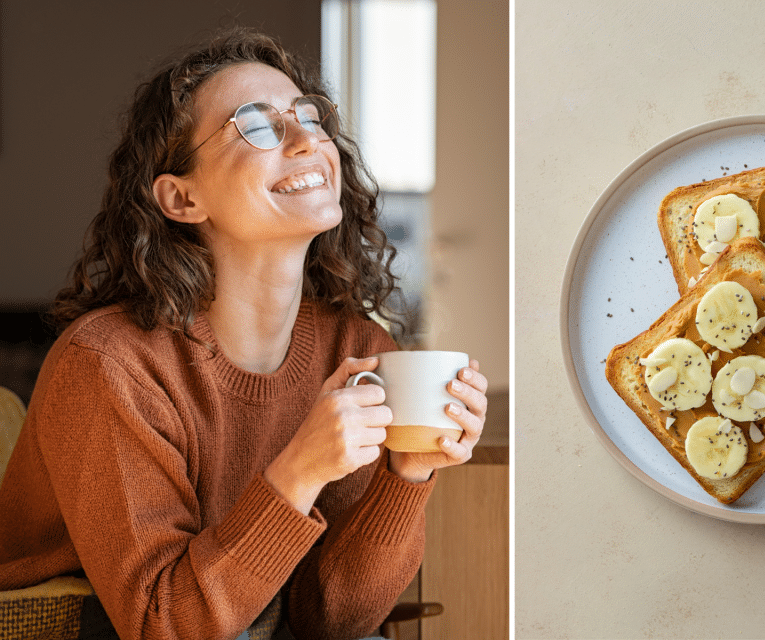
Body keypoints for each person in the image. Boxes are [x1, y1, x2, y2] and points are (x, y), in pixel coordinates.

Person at [0, 28, 488, 640]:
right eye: (256, 126)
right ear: (182, 198)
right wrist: (298, 472)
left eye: (310, 117)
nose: (309, 138)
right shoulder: (108, 363)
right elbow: (162, 625)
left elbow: (331, 623)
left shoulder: (359, 351)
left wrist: (407, 475)